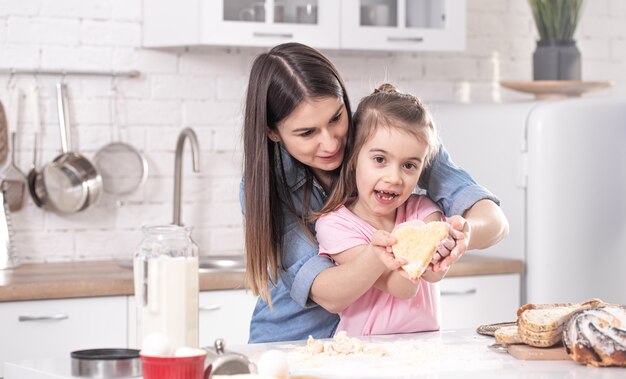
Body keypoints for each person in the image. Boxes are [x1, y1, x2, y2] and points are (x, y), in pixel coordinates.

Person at [241, 42, 509, 343]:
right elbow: (328, 293)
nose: (331, 143)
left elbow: (494, 220)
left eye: (336, 118)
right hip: (291, 340)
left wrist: (463, 234)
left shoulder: (388, 134)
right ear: (272, 132)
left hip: (373, 346)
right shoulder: (269, 187)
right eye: (307, 133)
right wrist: (388, 254)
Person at [314, 83, 447, 336]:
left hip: (427, 345)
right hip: (365, 351)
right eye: (379, 160)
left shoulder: (424, 209)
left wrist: (447, 247)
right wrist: (417, 250)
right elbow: (401, 287)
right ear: (353, 158)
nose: (394, 178)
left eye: (409, 165)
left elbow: (434, 274)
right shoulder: (335, 225)